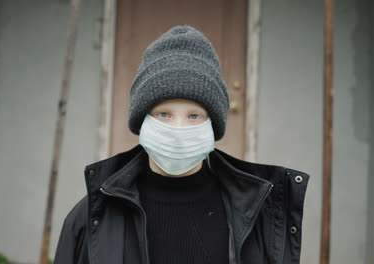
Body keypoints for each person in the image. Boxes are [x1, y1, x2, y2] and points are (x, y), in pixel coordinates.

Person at [54, 25, 309, 264]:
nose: (178, 129)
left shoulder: (259, 215)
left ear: (213, 126)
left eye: (194, 116)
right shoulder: (93, 216)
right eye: (163, 114)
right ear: (141, 122)